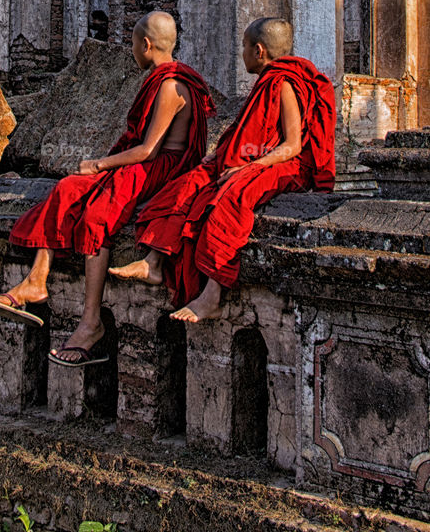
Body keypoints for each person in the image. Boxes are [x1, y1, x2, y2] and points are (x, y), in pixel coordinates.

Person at [0, 11, 213, 364]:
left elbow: (148, 149)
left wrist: (99, 164)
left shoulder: (170, 85)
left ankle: (90, 322)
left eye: (134, 43)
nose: (132, 50)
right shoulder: (163, 78)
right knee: (67, 189)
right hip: (149, 164)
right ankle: (37, 278)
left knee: (96, 217)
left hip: (160, 168)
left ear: (146, 45)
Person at [110, 17, 335, 323]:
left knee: (230, 197)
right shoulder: (265, 82)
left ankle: (212, 295)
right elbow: (249, 133)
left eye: (243, 46)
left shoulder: (282, 83)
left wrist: (251, 166)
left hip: (282, 165)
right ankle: (154, 261)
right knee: (188, 185)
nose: (240, 52)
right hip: (255, 158)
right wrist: (220, 155)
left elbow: (292, 145)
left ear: (258, 51)